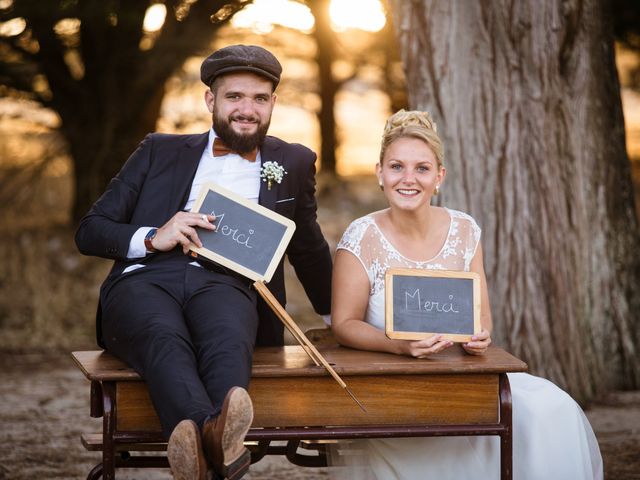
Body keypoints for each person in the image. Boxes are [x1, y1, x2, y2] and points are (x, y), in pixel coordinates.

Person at [75, 44, 332, 480]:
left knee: (228, 338)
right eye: (234, 97)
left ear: (273, 102)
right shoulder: (159, 149)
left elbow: (306, 246)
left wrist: (337, 318)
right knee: (162, 335)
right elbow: (91, 229)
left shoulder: (293, 160)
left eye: (260, 98)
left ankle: (195, 448)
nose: (247, 109)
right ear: (211, 100)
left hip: (228, 284)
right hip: (145, 279)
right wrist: (154, 237)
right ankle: (217, 438)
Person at [329, 109, 603, 480]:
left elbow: (481, 317)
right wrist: (400, 345)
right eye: (397, 167)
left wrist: (479, 339)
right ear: (380, 173)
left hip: (461, 377)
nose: (408, 179)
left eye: (422, 169)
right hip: (393, 387)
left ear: (439, 177)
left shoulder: (463, 229)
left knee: (551, 409)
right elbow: (344, 325)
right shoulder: (361, 237)